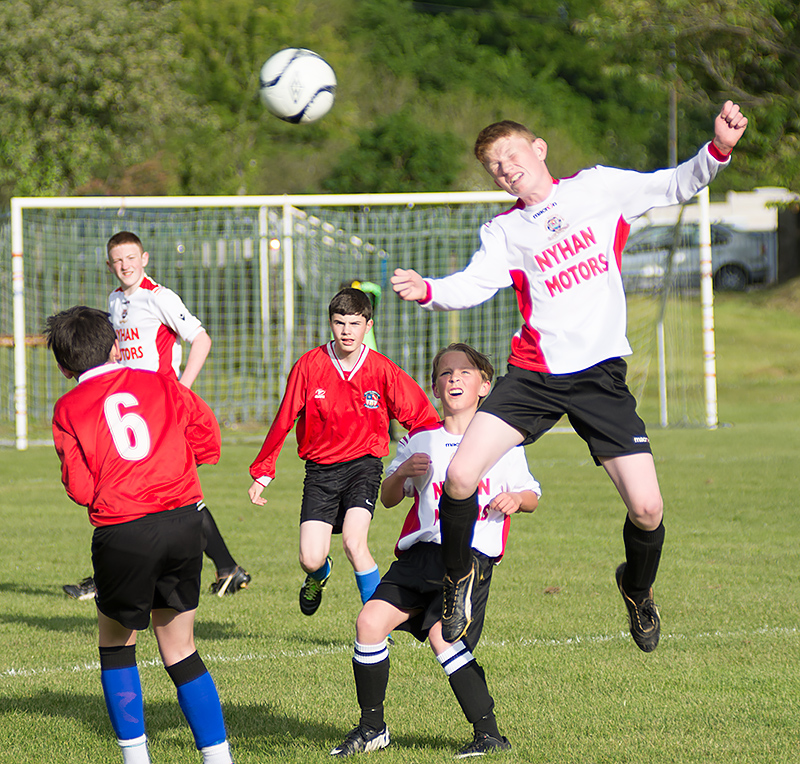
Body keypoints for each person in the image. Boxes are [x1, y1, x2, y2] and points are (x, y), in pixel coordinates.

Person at [391, 101, 749, 650]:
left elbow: (676, 184)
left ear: (539, 149)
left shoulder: (599, 188)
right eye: (494, 166)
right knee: (460, 477)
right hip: (534, 375)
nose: (506, 169)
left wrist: (718, 149)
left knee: (648, 509)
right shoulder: (504, 230)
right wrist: (431, 290)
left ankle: (636, 588)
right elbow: (473, 283)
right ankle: (457, 582)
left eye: (511, 155)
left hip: (600, 378)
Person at [330, 343, 540, 758]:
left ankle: (490, 734)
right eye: (446, 373)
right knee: (369, 622)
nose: (454, 379)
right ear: (434, 387)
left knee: (443, 639)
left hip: (466, 559)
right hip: (417, 556)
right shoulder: (421, 439)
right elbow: (390, 497)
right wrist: (404, 471)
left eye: (465, 372)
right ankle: (373, 728)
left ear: (485, 385)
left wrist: (516, 499)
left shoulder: (502, 443)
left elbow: (531, 494)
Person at [46, 306, 234, 764]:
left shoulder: (68, 406)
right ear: (115, 345)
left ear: (64, 367)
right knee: (181, 647)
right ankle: (218, 757)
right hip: (184, 521)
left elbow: (79, 485)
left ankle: (136, 759)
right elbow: (208, 439)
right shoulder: (159, 382)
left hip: (124, 529)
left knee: (115, 644)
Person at [63, 231, 250, 601]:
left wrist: (182, 389)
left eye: (131, 257)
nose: (125, 265)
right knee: (158, 492)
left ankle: (110, 578)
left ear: (144, 258)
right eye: (117, 260)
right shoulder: (115, 301)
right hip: (131, 408)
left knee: (152, 491)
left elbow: (201, 339)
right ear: (109, 264)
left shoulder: (159, 296)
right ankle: (227, 567)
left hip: (161, 410)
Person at [248, 287, 439, 615]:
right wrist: (263, 471)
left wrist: (441, 451)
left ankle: (377, 625)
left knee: (354, 542)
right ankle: (318, 575)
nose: (347, 331)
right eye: (340, 323)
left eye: (355, 323)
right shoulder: (309, 366)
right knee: (310, 558)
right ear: (330, 324)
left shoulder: (381, 370)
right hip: (320, 471)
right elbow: (284, 419)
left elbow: (421, 415)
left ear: (369, 325)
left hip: (363, 467)